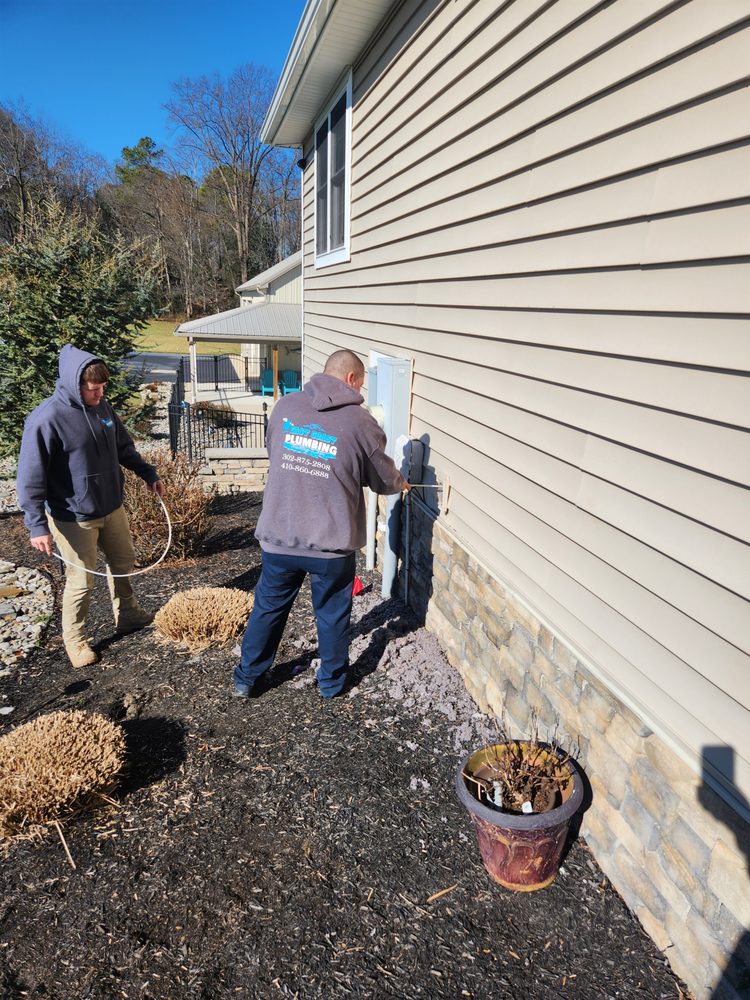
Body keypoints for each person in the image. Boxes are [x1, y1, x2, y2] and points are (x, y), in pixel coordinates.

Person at [234, 349, 409, 699]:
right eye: (360, 382)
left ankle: (246, 679)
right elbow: (381, 480)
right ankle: (331, 684)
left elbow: (276, 453)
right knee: (330, 615)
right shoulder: (361, 423)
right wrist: (400, 482)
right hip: (330, 545)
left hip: (279, 536)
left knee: (268, 608)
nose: (360, 388)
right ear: (350, 379)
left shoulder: (286, 407)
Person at [16, 344, 163, 668]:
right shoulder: (46, 419)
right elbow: (29, 477)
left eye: (102, 388)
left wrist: (147, 473)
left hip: (112, 507)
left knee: (124, 563)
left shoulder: (102, 409)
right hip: (74, 516)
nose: (99, 394)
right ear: (74, 384)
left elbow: (123, 448)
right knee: (81, 583)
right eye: (93, 389)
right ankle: (76, 640)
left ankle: (128, 615)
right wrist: (36, 525)